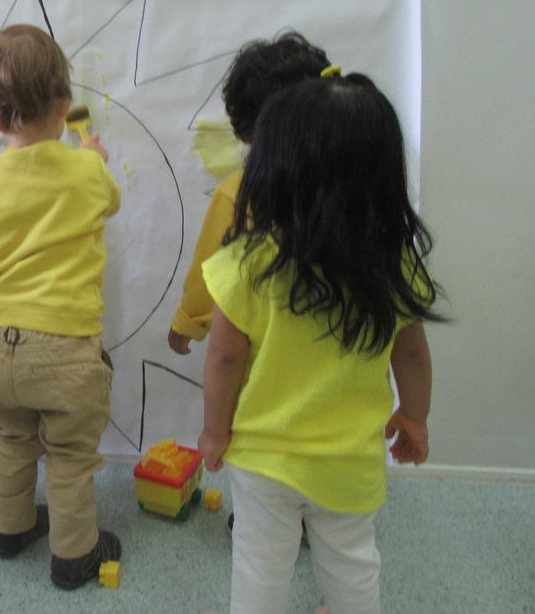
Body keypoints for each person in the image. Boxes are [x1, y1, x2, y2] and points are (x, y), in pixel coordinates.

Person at [198, 73, 441, 614]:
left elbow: (223, 357)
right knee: (352, 557)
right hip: (348, 454)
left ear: (274, 172)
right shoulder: (393, 264)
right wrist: (416, 416)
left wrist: (215, 432)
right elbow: (412, 350)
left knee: (261, 561)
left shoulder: (245, 264)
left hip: (262, 458)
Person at [0, 24, 122, 590]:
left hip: (1, 346)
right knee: (71, 456)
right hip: (67, 350)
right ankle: (74, 556)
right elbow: (108, 201)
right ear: (64, 103)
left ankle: (11, 527)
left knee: (15, 440)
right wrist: (90, 154)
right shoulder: (86, 171)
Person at [169, 30, 330, 355]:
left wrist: (188, 322)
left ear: (244, 130)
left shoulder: (241, 193)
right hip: (351, 363)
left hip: (267, 364)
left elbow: (210, 268)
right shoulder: (357, 182)